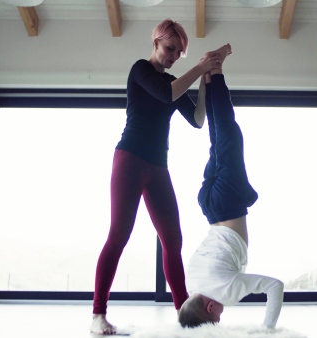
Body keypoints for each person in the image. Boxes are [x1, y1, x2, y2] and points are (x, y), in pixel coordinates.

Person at [90, 18, 230, 335]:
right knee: (118, 236)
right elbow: (165, 94)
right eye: (170, 48)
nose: (172, 56)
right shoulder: (141, 70)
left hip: (157, 167)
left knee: (173, 239)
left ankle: (185, 316)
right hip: (128, 160)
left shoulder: (174, 81)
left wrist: (205, 82)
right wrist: (199, 66)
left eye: (178, 52)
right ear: (156, 42)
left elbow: (196, 120)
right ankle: (98, 314)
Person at [178, 65, 285, 329]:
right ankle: (211, 82)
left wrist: (267, 330)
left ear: (211, 306)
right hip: (209, 206)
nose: (221, 315)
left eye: (217, 316)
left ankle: (216, 71)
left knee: (229, 133)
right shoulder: (191, 283)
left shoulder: (225, 292)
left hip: (226, 204)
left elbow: (275, 286)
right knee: (219, 139)